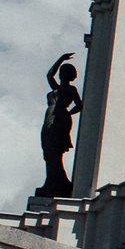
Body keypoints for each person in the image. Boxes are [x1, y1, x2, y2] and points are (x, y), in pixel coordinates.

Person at [37, 55, 82, 200]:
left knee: (54, 152)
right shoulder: (56, 88)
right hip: (49, 120)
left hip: (60, 120)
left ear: (70, 75)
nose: (62, 74)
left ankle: (55, 184)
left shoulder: (71, 89)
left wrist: (66, 113)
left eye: (65, 72)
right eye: (61, 72)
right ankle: (54, 182)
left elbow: (79, 105)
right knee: (48, 153)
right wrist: (61, 59)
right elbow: (49, 75)